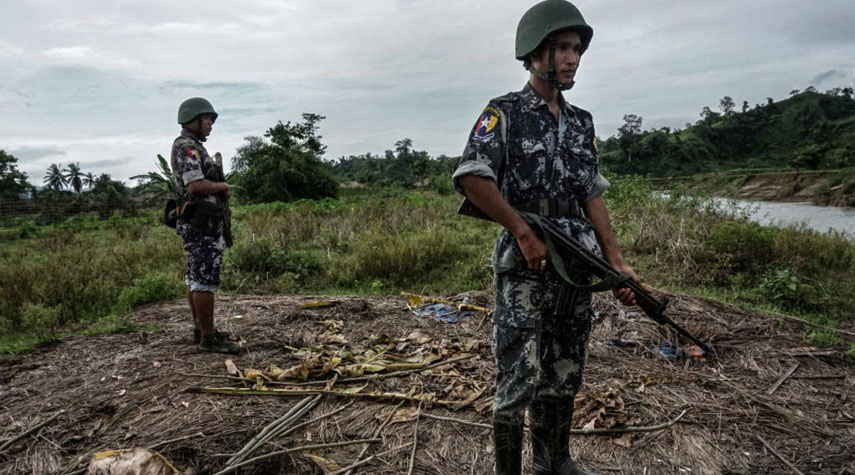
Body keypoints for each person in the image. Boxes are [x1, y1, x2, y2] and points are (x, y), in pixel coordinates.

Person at [453, 1, 643, 474]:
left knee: (564, 367)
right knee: (519, 370)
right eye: (561, 47)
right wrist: (521, 231)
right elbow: (473, 177)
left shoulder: (582, 122)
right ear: (534, 53)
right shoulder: (505, 112)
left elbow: (591, 193)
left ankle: (554, 462)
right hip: (528, 262)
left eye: (576, 49)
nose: (571, 57)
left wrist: (615, 261)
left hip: (576, 264)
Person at [171, 97, 240, 354]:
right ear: (193, 119)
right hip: (202, 223)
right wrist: (223, 186)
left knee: (196, 278)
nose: (211, 124)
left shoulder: (194, 146)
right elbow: (195, 185)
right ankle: (209, 336)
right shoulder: (187, 148)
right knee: (204, 279)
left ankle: (201, 330)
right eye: (207, 119)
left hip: (203, 222)